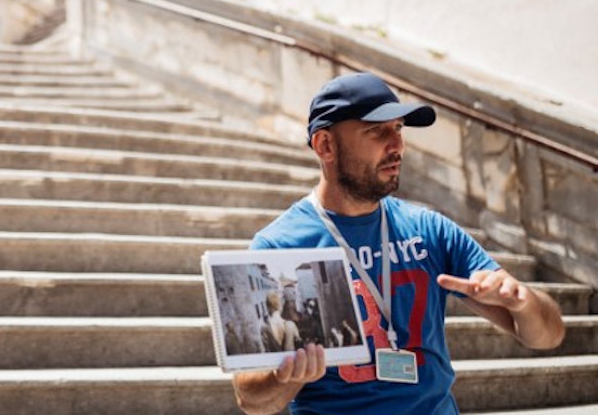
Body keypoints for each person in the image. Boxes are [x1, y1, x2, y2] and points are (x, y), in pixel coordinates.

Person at [232, 72, 565, 415]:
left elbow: (547, 336)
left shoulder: (430, 230)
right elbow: (251, 400)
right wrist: (286, 376)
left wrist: (524, 303)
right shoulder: (278, 246)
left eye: (398, 129)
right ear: (325, 145)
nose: (397, 146)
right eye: (377, 131)